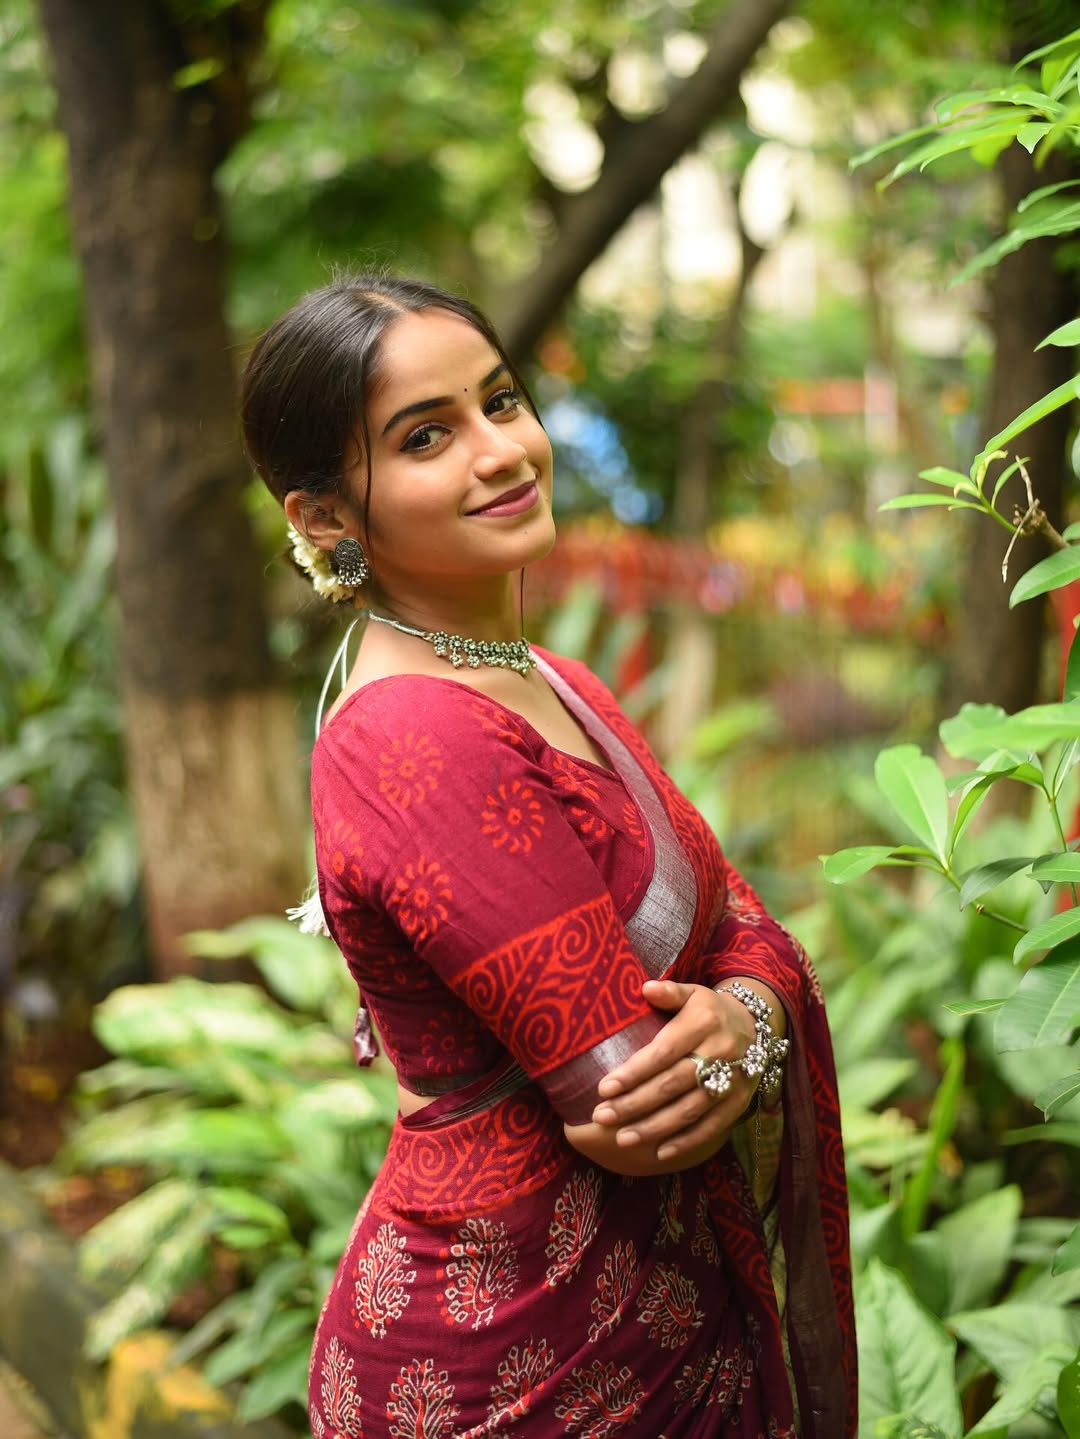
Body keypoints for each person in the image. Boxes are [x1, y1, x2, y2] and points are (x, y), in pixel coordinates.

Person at [240, 273, 855, 1439]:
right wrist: (743, 1015)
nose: (502, 451)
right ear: (323, 517)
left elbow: (745, 929)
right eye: (426, 436)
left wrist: (745, 1013)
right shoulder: (411, 738)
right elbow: (636, 1104)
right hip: (517, 1363)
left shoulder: (554, 682)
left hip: (648, 1320)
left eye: (501, 400)